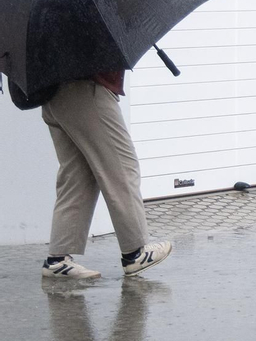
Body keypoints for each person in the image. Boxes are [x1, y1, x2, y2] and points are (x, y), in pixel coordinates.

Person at [36, 70, 173, 280]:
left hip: (54, 94)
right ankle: (135, 252)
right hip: (87, 89)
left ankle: (57, 260)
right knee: (122, 167)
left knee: (78, 176)